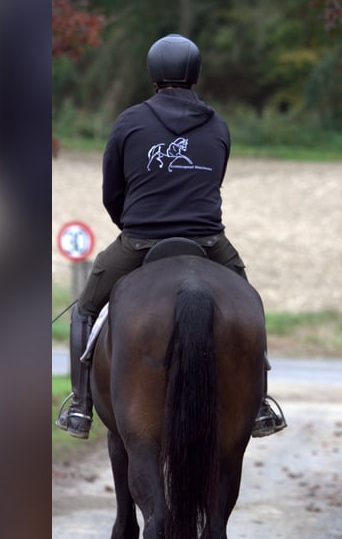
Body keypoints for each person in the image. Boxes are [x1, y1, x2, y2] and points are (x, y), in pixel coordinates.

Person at [55, 34, 287, 440]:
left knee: (86, 307)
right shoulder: (218, 124)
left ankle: (80, 404)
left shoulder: (129, 121)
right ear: (194, 74)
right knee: (250, 304)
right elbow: (216, 180)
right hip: (210, 242)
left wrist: (131, 225)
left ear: (153, 74)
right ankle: (260, 406)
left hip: (140, 239)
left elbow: (112, 190)